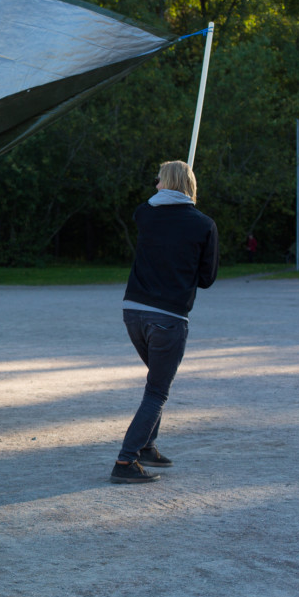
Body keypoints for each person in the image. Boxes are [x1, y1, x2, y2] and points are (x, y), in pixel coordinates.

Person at [111, 160, 219, 484]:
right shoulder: (204, 225)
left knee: (156, 381)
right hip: (168, 318)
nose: (154, 184)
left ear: (166, 183)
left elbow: (151, 206)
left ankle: (146, 446)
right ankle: (125, 460)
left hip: (133, 313)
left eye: (158, 179)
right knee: (158, 390)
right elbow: (207, 278)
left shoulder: (145, 213)